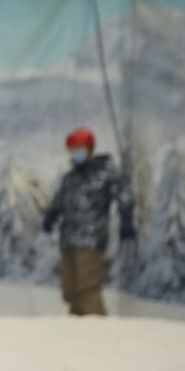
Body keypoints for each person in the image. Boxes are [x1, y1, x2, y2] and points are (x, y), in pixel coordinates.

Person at [44, 126, 135, 316]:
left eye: (79, 149)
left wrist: (126, 220)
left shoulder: (105, 172)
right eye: (72, 150)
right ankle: (79, 327)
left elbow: (124, 195)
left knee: (86, 288)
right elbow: (60, 199)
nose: (75, 154)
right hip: (68, 239)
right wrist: (51, 215)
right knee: (69, 291)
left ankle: (97, 329)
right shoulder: (71, 177)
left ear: (90, 149)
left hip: (91, 239)